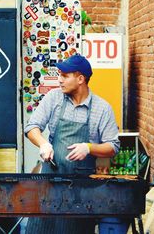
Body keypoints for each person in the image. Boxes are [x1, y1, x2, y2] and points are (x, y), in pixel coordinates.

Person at [24, 54, 120, 234]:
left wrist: (89, 148)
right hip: (50, 183)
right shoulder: (54, 98)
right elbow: (32, 127)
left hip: (81, 191)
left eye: (64, 75)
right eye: (59, 74)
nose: (59, 80)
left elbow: (113, 146)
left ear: (80, 79)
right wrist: (43, 144)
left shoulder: (102, 108)